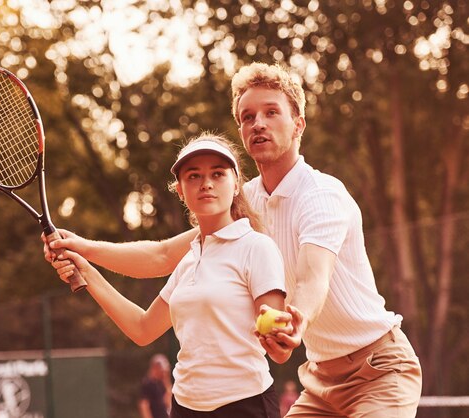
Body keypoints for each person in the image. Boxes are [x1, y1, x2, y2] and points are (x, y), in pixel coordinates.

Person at [45, 62, 423, 417]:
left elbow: (313, 277)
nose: (258, 123)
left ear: (298, 125)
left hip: (379, 370)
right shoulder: (247, 202)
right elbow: (162, 256)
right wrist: (80, 247)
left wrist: (297, 322)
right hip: (320, 380)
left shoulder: (321, 194)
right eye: (248, 117)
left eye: (271, 112)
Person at [46, 134, 289, 418]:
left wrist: (281, 336)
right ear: (181, 191)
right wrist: (87, 269)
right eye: (194, 175)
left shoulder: (257, 247)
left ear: (236, 184)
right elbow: (142, 329)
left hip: (246, 406)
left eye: (218, 174)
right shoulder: (189, 260)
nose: (206, 183)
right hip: (185, 407)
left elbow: (279, 347)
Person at [138, 354, 172, 418]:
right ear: (155, 368)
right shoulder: (148, 383)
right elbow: (144, 405)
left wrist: (167, 381)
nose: (164, 373)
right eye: (162, 370)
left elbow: (168, 402)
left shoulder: (162, 383)